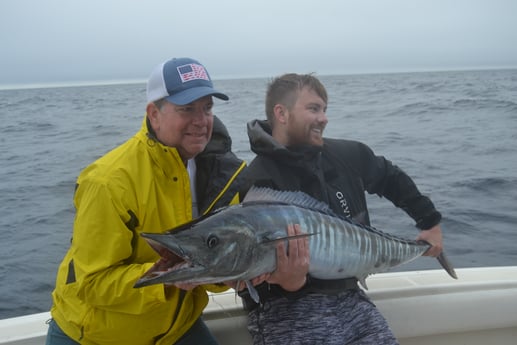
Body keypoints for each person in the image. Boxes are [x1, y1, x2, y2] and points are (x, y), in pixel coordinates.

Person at [46, 57, 246, 345]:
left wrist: (236, 270)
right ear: (154, 114)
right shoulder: (108, 181)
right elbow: (92, 284)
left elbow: (212, 266)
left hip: (176, 329)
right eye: (187, 108)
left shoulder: (222, 174)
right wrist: (169, 276)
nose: (201, 121)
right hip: (96, 337)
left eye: (207, 108)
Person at [238, 73, 444, 345]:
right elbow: (245, 268)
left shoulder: (346, 155)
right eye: (313, 108)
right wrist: (289, 284)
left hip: (351, 299)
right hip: (286, 310)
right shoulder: (256, 182)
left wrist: (430, 222)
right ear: (282, 113)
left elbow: (389, 177)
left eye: (324, 110)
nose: (324, 118)